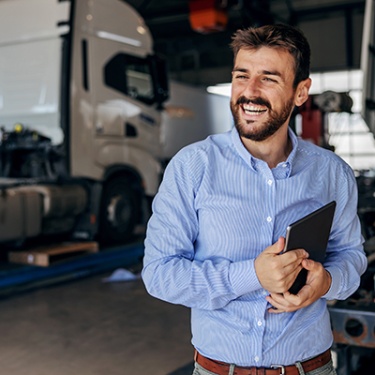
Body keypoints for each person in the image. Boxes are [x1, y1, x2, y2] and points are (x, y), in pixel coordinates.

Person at [142, 24, 367, 375]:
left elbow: (351, 256)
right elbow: (159, 274)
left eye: (269, 79)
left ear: (301, 92)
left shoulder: (331, 173)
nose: (249, 92)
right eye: (241, 76)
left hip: (310, 367)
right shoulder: (192, 167)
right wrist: (252, 275)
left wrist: (327, 281)